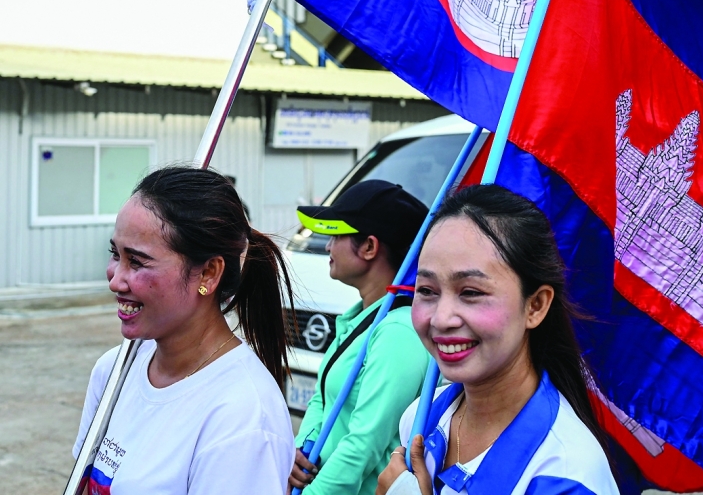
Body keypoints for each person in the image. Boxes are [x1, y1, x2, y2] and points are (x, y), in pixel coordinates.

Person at [377, 184, 619, 495]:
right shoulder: (420, 418)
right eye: (427, 290)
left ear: (535, 305)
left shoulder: (566, 473)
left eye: (471, 292)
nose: (440, 318)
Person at [73, 167, 296, 494]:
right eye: (115, 254)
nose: (115, 279)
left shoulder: (242, 417)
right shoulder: (112, 371)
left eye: (137, 262)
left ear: (208, 273)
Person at [290, 180, 433, 494]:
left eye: (337, 235)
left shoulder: (398, 332)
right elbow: (322, 399)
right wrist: (301, 452)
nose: (327, 246)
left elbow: (364, 444)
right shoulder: (359, 316)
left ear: (369, 247)